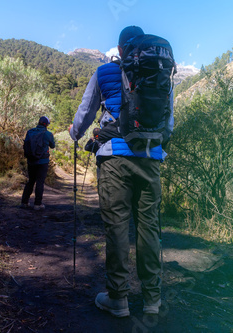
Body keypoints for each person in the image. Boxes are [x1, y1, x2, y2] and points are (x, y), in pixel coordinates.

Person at [69, 26, 174, 317]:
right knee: (149, 227)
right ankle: (152, 299)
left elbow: (85, 112)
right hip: (151, 158)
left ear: (121, 48)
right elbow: (168, 124)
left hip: (115, 157)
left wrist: (75, 133)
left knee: (117, 227)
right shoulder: (162, 73)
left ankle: (119, 298)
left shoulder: (104, 72)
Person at [21, 116, 55, 210]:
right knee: (40, 182)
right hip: (43, 161)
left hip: (31, 160)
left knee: (31, 181)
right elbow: (53, 145)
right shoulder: (48, 134)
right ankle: (37, 204)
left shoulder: (30, 132)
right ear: (46, 124)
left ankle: (24, 202)